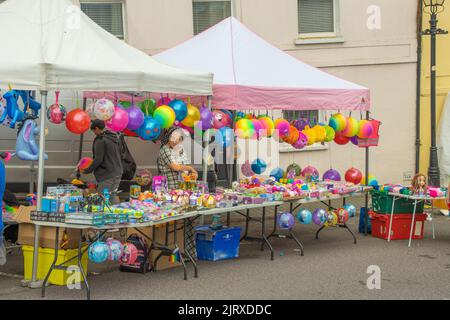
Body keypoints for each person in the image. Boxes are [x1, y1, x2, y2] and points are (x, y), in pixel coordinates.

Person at [83, 120, 123, 204]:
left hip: (107, 174)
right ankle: (117, 215)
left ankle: (103, 215)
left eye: (94, 131)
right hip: (118, 171)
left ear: (97, 128)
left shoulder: (101, 140)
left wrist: (88, 170)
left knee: (102, 197)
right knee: (112, 195)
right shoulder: (114, 138)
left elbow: (98, 159)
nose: (94, 133)